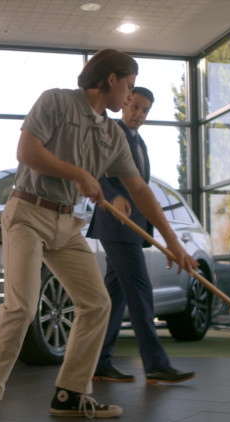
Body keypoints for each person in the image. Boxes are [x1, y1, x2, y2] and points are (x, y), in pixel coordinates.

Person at [0, 50, 198, 422]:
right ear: (110, 79)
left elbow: (140, 190)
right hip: (27, 214)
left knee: (97, 303)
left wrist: (172, 241)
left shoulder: (112, 134)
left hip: (66, 224)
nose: (129, 96)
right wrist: (79, 175)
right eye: (129, 86)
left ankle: (70, 394)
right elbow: (26, 152)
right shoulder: (55, 100)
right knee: (21, 306)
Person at [87, 87, 196, 385]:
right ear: (124, 104)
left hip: (133, 227)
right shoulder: (112, 133)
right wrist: (113, 196)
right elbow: (96, 171)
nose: (139, 114)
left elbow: (141, 187)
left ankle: (98, 362)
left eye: (145, 110)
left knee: (117, 296)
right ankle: (156, 365)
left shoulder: (140, 143)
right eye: (134, 106)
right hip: (115, 225)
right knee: (140, 292)